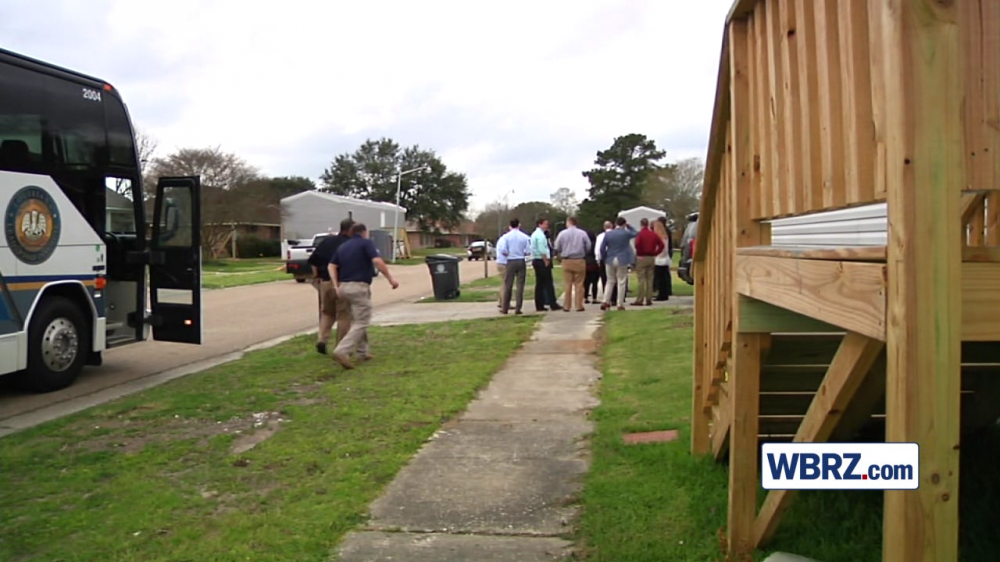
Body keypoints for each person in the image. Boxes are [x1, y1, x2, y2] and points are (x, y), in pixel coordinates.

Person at [327, 223, 400, 369]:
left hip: (344, 287)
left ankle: (363, 352)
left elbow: (331, 265)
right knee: (362, 321)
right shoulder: (366, 243)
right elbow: (377, 261)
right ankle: (342, 350)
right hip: (359, 287)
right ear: (363, 232)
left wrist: (336, 285)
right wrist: (390, 279)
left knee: (357, 319)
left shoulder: (343, 247)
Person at [307, 219, 354, 355]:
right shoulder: (350, 245)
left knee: (327, 313)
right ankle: (341, 347)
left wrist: (317, 276)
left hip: (325, 282)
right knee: (344, 316)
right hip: (342, 283)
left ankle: (322, 339)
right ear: (350, 230)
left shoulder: (327, 241)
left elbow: (313, 261)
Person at [554, 216, 592, 312]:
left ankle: (567, 306)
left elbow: (557, 246)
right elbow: (588, 246)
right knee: (579, 284)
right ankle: (579, 305)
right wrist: (583, 253)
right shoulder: (582, 233)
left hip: (567, 260)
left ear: (568, 222)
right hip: (579, 260)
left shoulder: (562, 234)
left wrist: (560, 254)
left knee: (568, 284)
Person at [600, 217, 637, 311]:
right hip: (622, 258)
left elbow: (602, 248)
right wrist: (629, 226)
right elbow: (636, 233)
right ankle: (619, 303)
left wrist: (604, 257)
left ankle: (605, 301)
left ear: (615, 223)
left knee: (610, 281)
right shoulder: (626, 233)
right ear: (624, 224)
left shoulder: (608, 234)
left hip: (610, 258)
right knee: (621, 281)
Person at [497, 218, 531, 315]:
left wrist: (509, 254)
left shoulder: (506, 237)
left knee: (508, 285)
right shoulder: (524, 237)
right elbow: (528, 251)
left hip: (510, 260)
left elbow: (503, 250)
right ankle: (518, 308)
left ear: (510, 225)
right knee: (520, 285)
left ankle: (505, 308)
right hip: (520, 260)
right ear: (519, 225)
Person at [530, 217, 562, 312]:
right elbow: (542, 249)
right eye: (545, 224)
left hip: (537, 260)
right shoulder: (540, 235)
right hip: (541, 260)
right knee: (548, 283)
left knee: (540, 284)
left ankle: (539, 304)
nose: (547, 226)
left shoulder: (535, 234)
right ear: (540, 224)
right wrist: (546, 260)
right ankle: (552, 303)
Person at [632, 218, 664, 306]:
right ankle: (649, 298)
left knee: (641, 279)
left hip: (642, 257)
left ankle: (640, 299)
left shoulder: (640, 234)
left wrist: (639, 253)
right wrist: (655, 253)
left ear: (641, 224)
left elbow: (637, 244)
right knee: (650, 279)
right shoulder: (653, 234)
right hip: (651, 257)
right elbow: (661, 245)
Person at [652, 216, 674, 301]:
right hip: (665, 258)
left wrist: (655, 253)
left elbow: (660, 248)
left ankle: (661, 294)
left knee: (660, 277)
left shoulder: (659, 237)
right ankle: (665, 293)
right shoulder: (665, 236)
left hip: (660, 259)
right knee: (664, 277)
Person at [593, 221, 612, 302]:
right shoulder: (614, 235)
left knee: (605, 279)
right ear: (612, 226)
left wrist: (598, 259)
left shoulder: (600, 236)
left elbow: (597, 249)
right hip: (613, 257)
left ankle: (606, 296)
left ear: (604, 227)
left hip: (603, 258)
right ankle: (614, 297)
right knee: (614, 278)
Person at [584, 228, 599, 304]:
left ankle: (585, 297)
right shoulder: (596, 244)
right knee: (594, 282)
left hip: (586, 264)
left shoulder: (585, 244)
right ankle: (594, 298)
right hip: (594, 264)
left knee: (586, 282)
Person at [495, 232, 508, 309]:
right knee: (506, 284)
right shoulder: (505, 239)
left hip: (500, 262)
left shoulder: (501, 239)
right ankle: (504, 303)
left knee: (504, 282)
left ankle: (501, 301)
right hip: (504, 263)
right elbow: (504, 250)